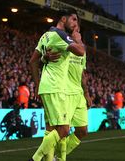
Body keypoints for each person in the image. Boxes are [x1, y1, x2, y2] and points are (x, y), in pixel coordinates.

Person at [29, 8, 85, 161]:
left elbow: (33, 62)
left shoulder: (45, 35)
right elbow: (80, 51)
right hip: (56, 87)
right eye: (73, 20)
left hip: (46, 86)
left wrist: (37, 84)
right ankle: (35, 158)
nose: (75, 24)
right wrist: (77, 39)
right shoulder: (61, 35)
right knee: (64, 130)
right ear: (63, 19)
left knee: (51, 129)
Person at [41, 23, 91, 161]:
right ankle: (45, 157)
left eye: (78, 29)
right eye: (74, 29)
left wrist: (86, 93)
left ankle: (54, 156)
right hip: (64, 91)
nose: (76, 31)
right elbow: (47, 58)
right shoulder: (63, 43)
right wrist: (45, 57)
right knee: (62, 130)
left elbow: (82, 73)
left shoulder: (82, 50)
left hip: (78, 94)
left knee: (83, 131)